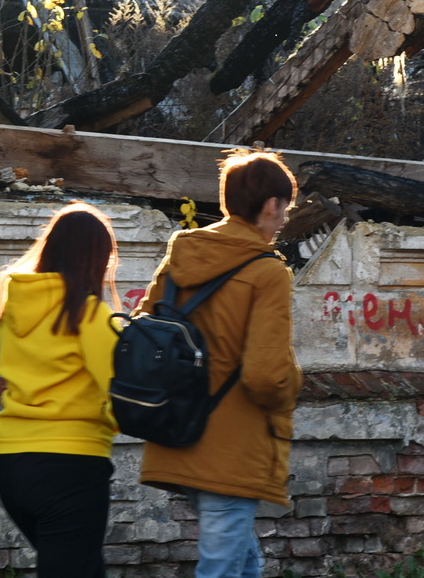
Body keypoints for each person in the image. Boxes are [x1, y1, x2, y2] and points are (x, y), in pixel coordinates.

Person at [138, 151, 303, 578]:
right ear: (271, 205)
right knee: (222, 569)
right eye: (285, 207)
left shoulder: (182, 254)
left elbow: (143, 331)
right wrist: (292, 387)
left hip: (175, 433)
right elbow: (266, 376)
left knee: (244, 564)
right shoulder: (267, 272)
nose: (285, 218)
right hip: (230, 449)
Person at [0, 201, 122, 578]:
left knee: (82, 567)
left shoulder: (14, 305)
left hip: (11, 463)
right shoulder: (89, 313)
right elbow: (119, 389)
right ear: (96, 259)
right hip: (71, 463)